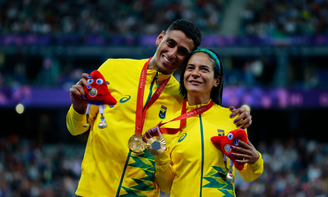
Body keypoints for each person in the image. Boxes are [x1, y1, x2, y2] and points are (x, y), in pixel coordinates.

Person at [67, 19, 252, 197]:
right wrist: (79, 108)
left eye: (181, 51)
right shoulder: (113, 69)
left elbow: (208, 117)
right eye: (170, 43)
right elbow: (75, 129)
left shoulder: (182, 99)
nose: (172, 54)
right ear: (160, 38)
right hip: (93, 191)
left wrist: (243, 112)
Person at [148, 48, 263, 196]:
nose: (195, 73)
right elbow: (166, 186)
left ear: (217, 80)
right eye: (190, 68)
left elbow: (249, 174)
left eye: (204, 69)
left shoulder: (233, 119)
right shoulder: (168, 123)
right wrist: (160, 154)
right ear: (183, 75)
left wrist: (256, 160)